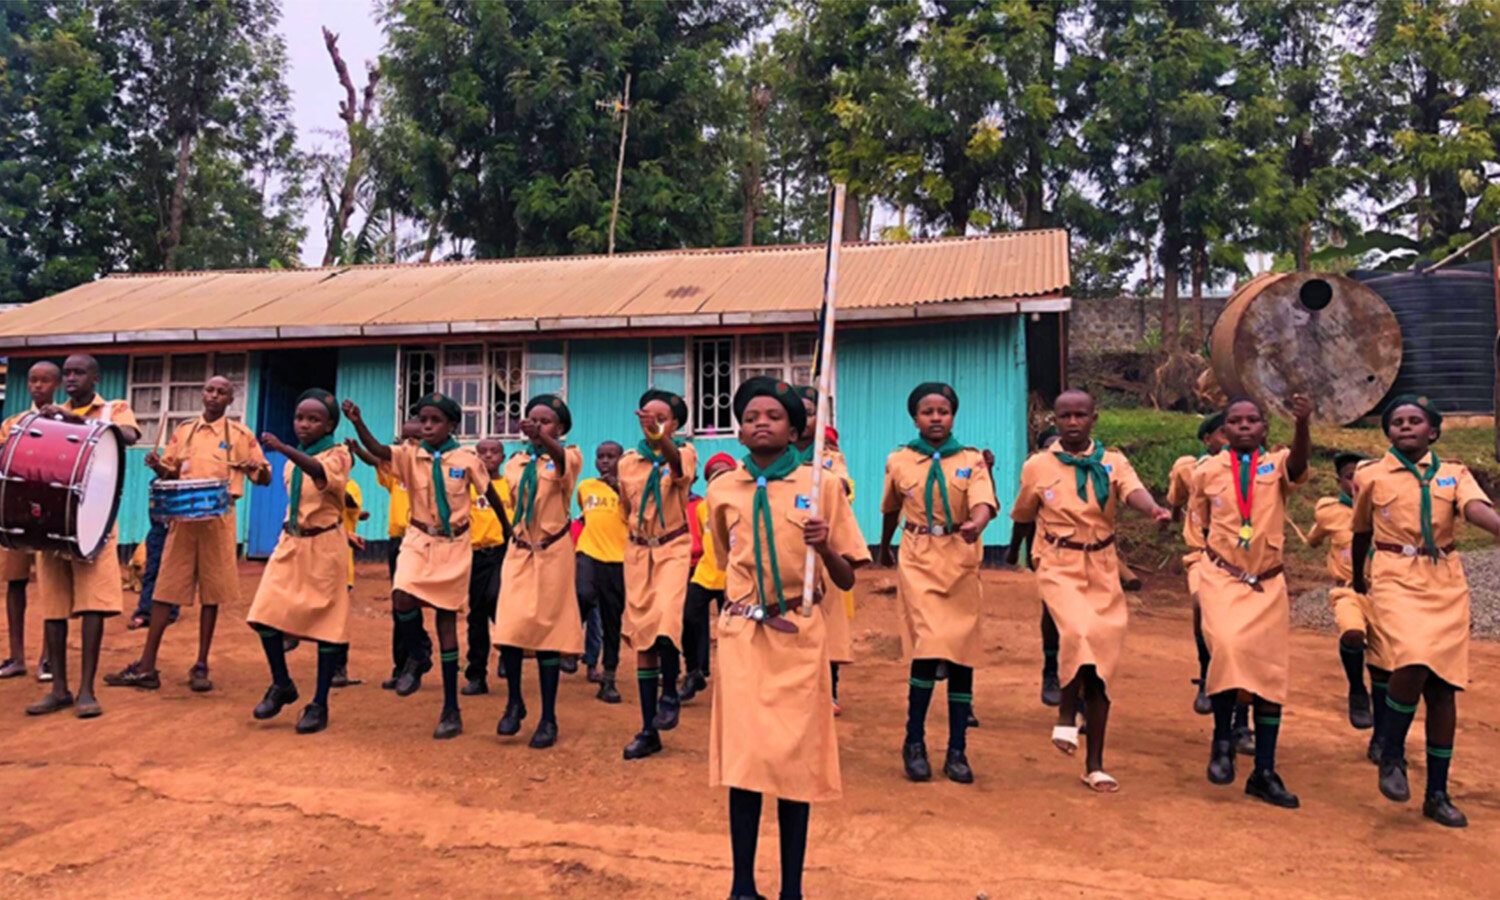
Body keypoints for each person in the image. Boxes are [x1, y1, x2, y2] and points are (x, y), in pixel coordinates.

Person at [707, 377, 869, 900]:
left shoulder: (820, 485)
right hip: (741, 636)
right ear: (739, 428)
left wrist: (824, 549)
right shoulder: (722, 489)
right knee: (746, 761)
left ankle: (792, 889)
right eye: (751, 415)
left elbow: (846, 580)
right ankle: (741, 885)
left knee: (793, 763)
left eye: (774, 416)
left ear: (795, 428)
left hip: (797, 634)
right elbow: (722, 559)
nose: (761, 422)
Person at [1009, 389, 1171, 792]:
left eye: (1081, 415)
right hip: (1057, 560)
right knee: (1079, 632)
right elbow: (1025, 515)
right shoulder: (1038, 466)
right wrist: (1015, 552)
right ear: (1056, 420)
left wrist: (1152, 509)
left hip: (1102, 565)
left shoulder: (1112, 462)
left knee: (1101, 661)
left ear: (1094, 419)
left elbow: (1132, 490)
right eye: (1065, 416)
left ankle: (1094, 764)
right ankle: (1066, 714)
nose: (1073, 422)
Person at [1353, 395, 1500, 828]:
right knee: (1413, 658)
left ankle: (1437, 793)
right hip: (1395, 574)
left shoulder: (1453, 474)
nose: (1405, 427)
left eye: (1415, 421)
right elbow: (1360, 530)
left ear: (1432, 431)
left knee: (1442, 688)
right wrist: (1360, 579)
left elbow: (1475, 510)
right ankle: (1392, 751)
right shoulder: (1372, 475)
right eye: (1396, 422)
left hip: (1445, 581)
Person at [345, 393, 508, 740]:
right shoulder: (409, 455)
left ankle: (451, 709)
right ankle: (418, 654)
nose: (427, 426)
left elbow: (489, 493)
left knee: (446, 620)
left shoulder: (466, 459)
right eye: (422, 420)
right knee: (401, 595)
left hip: (454, 543)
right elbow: (378, 450)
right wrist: (359, 423)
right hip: (418, 538)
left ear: (450, 425)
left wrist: (508, 530)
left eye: (434, 421)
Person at [106, 376, 270, 693]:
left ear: (229, 400)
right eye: (209, 390)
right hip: (181, 521)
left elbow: (262, 478)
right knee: (165, 589)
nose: (214, 395)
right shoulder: (183, 432)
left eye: (221, 392)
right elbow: (171, 472)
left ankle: (201, 665)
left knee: (212, 594)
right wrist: (157, 466)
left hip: (219, 520)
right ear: (202, 394)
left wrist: (257, 467)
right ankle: (147, 666)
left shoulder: (240, 435)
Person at [1192, 393, 1311, 809]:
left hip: (1267, 582)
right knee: (1226, 648)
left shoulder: (1277, 464)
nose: (1244, 427)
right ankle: (1222, 740)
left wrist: (1302, 423)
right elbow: (1197, 521)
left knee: (1268, 673)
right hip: (1223, 576)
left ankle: (1264, 770)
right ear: (1223, 430)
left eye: (1253, 421)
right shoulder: (1205, 471)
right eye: (1236, 422)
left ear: (1264, 428)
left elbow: (1298, 466)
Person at [878, 382, 998, 784]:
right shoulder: (899, 460)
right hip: (917, 555)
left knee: (962, 653)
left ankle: (957, 749)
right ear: (915, 418)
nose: (935, 418)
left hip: (960, 557)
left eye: (943, 411)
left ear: (953, 416)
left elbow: (984, 502)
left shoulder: (971, 459)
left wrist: (976, 523)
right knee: (927, 648)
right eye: (927, 411)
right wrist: (882, 549)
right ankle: (914, 741)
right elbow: (891, 509)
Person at [27, 354, 141, 718]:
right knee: (55, 607)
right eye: (68, 374)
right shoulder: (47, 414)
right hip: (54, 522)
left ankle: (87, 690)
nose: (72, 378)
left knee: (93, 605)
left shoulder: (114, 409)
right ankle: (59, 688)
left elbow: (129, 435)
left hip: (97, 522)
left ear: (96, 377)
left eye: (79, 372)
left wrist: (75, 420)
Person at [244, 389, 352, 734]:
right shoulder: (292, 461)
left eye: (314, 419)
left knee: (326, 626)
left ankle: (319, 703)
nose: (304, 425)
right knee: (263, 615)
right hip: (291, 542)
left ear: (330, 424)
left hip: (324, 548)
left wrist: (282, 447)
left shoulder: (338, 455)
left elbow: (321, 474)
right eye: (300, 418)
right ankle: (282, 684)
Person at [492, 394, 585, 748]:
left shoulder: (570, 455)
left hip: (553, 552)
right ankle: (514, 702)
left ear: (559, 428)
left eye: (546, 422)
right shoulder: (516, 463)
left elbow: (560, 459)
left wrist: (545, 441)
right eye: (532, 419)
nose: (536, 425)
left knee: (549, 633)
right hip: (519, 552)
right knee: (511, 629)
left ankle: (548, 717)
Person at [616, 389, 698, 760]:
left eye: (661, 416)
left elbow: (678, 469)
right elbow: (625, 508)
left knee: (666, 620)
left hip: (672, 548)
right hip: (638, 551)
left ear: (675, 423)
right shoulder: (628, 463)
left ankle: (670, 691)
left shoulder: (683, 452)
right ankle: (649, 728)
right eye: (646, 415)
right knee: (643, 637)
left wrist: (659, 436)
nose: (651, 420)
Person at [1167, 412, 1252, 752]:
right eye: (1221, 431)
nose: (1230, 436)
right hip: (1203, 556)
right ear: (1208, 440)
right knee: (1203, 604)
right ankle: (1205, 674)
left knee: (1245, 641)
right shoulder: (1190, 468)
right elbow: (1175, 499)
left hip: (1245, 564)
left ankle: (1242, 721)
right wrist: (1172, 519)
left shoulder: (1256, 471)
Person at [1307, 451, 1389, 740]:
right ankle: (1356, 689)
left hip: (1385, 593)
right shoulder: (1330, 511)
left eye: (1361, 475)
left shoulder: (1388, 509)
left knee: (1384, 666)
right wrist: (1314, 539)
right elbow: (1316, 536)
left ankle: (1381, 738)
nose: (1356, 481)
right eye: (1349, 476)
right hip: (1348, 589)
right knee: (1352, 633)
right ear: (1339, 480)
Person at [351, 420, 435, 693]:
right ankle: (403, 665)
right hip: (398, 542)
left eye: (415, 439)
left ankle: (421, 651)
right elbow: (377, 460)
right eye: (405, 439)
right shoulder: (397, 474)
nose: (409, 444)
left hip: (426, 542)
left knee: (421, 603)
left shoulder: (430, 470)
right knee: (400, 607)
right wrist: (357, 448)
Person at [794, 386, 856, 715]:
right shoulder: (779, 454)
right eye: (800, 411)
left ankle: (829, 689)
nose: (806, 419)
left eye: (811, 411)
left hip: (823, 546)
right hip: (788, 546)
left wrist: (827, 479)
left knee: (827, 622)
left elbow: (843, 486)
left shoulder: (829, 456)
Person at [0, 361, 61, 680]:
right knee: (15, 581)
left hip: (51, 514)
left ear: (58, 385)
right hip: (17, 511)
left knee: (51, 584)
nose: (38, 386)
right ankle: (16, 655)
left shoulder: (66, 423)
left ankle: (48, 656)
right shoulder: (13, 422)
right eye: (33, 381)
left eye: (45, 381)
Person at [681, 452, 737, 705]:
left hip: (735, 575)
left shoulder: (743, 503)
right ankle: (693, 672)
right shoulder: (703, 507)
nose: (720, 478)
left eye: (725, 472)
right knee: (688, 619)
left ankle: (736, 681)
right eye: (714, 475)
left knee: (735, 630)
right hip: (705, 572)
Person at [576, 441, 628, 703]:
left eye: (611, 457)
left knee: (612, 621)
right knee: (582, 595)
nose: (605, 461)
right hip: (588, 552)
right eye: (600, 457)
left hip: (618, 560)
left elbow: (639, 516)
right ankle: (571, 648)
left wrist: (620, 488)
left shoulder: (631, 489)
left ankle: (609, 678)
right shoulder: (586, 487)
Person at [461, 437, 510, 695]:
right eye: (483, 452)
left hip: (505, 552)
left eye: (494, 452)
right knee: (477, 614)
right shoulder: (468, 488)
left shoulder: (510, 485)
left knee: (497, 600)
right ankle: (476, 674)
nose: (488, 456)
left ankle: (506, 649)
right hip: (474, 554)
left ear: (503, 457)